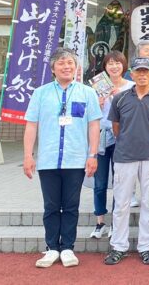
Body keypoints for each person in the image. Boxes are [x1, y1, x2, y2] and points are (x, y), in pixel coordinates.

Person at [23, 48, 101, 268]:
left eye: (70, 63)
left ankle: (67, 247)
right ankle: (51, 248)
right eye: (62, 63)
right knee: (50, 206)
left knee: (70, 206)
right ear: (53, 68)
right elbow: (31, 125)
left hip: (76, 159)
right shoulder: (41, 93)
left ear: (76, 68)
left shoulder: (87, 93)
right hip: (48, 159)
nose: (67, 67)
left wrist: (92, 154)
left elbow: (94, 125)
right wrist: (28, 156)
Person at [104, 57, 149, 266]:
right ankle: (119, 246)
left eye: (146, 71)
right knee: (122, 203)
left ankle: (146, 246)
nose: (142, 75)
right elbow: (116, 128)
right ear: (131, 74)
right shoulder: (120, 99)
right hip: (125, 156)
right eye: (138, 71)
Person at [90, 51, 133, 239]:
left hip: (122, 138)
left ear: (124, 65)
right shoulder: (96, 88)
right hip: (101, 138)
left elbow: (134, 114)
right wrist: (97, 104)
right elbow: (89, 117)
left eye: (118, 63)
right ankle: (100, 222)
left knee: (120, 182)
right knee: (99, 183)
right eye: (110, 64)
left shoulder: (131, 87)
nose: (114, 67)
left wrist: (119, 100)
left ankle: (117, 222)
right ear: (105, 67)